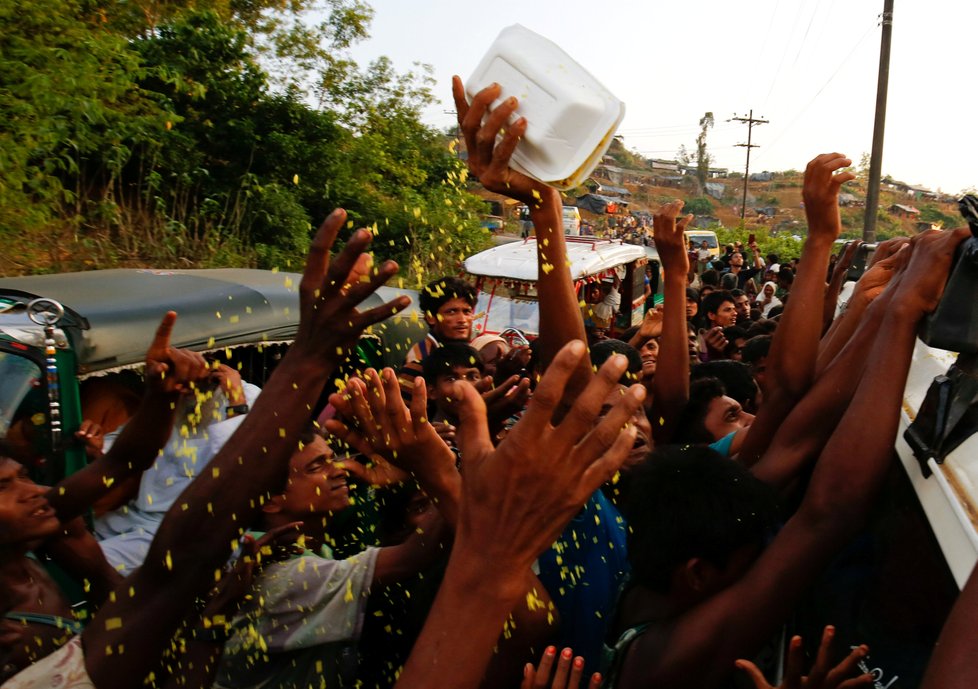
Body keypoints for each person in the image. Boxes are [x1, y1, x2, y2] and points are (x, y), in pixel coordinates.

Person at [2, 210, 413, 689]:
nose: (36, 491)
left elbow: (123, 465)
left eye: (22, 476)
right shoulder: (16, 641)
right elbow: (179, 553)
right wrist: (311, 356)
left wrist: (161, 399)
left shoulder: (42, 523)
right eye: (6, 488)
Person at [397, 275, 476, 397]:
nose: (462, 320)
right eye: (451, 312)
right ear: (431, 318)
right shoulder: (418, 361)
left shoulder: (466, 353)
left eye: (467, 312)